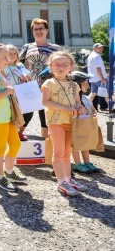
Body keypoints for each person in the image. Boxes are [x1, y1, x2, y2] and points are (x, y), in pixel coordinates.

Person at [41, 51, 88, 196]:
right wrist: (66, 108)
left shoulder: (74, 85)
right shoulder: (49, 83)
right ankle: (61, 182)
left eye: (64, 64)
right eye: (56, 64)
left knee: (67, 153)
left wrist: (80, 108)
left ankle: (68, 178)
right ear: (51, 67)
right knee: (59, 152)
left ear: (71, 67)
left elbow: (78, 102)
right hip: (56, 122)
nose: (60, 67)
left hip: (70, 122)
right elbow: (45, 101)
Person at [0, 43, 27, 192]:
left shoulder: (0, 74)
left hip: (6, 117)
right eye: (5, 57)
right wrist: (8, 91)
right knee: (0, 149)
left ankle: (9, 172)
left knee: (15, 144)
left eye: (9, 57)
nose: (8, 60)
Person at [19, 18, 60, 139]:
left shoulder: (55, 48)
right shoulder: (27, 47)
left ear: (47, 30)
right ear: (32, 32)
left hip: (48, 87)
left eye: (41, 28)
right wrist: (22, 76)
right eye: (35, 29)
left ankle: (45, 146)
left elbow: (60, 65)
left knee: (45, 118)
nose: (38, 31)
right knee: (25, 116)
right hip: (30, 87)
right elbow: (19, 64)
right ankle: (15, 141)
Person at [70, 71, 101, 174]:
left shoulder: (86, 98)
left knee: (85, 143)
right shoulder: (71, 99)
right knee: (76, 143)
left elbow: (92, 108)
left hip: (86, 124)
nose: (87, 86)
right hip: (75, 124)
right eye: (84, 84)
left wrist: (93, 112)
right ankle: (77, 163)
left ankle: (87, 162)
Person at [4, 44, 30, 141]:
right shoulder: (3, 67)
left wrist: (24, 80)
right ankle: (14, 133)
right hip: (11, 95)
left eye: (15, 53)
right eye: (10, 53)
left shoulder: (20, 66)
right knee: (13, 115)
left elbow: (26, 78)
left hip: (22, 94)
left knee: (27, 113)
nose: (13, 55)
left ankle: (19, 132)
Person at [87, 43, 108, 107]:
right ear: (94, 48)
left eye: (102, 47)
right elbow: (98, 68)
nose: (101, 49)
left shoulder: (91, 56)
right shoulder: (96, 56)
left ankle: (85, 105)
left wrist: (104, 74)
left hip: (93, 78)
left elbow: (94, 68)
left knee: (93, 93)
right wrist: (102, 77)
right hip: (99, 78)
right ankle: (112, 107)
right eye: (99, 48)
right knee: (108, 92)